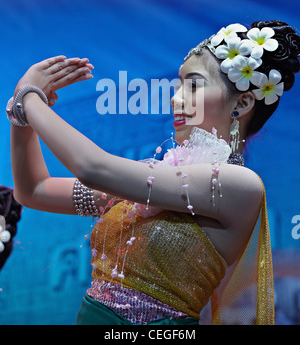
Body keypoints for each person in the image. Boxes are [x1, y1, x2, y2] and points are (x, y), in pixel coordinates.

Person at [7, 20, 300, 325]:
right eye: (178, 86)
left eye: (194, 85)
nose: (175, 99)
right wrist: (22, 118)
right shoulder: (156, 174)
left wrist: (28, 97)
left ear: (242, 102)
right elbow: (34, 190)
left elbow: (92, 167)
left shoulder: (237, 185)